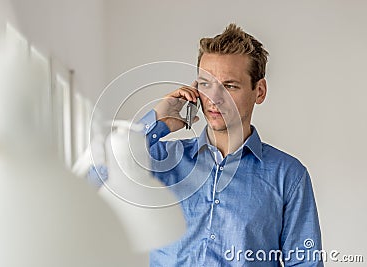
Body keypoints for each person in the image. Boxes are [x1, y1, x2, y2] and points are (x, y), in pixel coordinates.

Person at [138, 23, 323, 266]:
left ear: (259, 91)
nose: (214, 98)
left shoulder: (288, 176)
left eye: (230, 85)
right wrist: (156, 122)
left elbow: (305, 263)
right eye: (205, 84)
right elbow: (93, 177)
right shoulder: (160, 159)